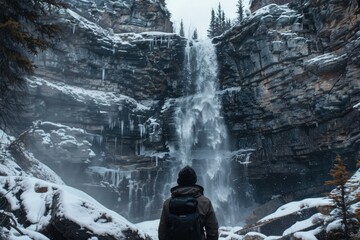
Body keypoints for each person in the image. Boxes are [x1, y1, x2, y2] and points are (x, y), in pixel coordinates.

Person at [158, 165, 219, 240]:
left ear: (179, 181)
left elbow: (162, 232)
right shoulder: (205, 202)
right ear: (195, 181)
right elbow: (213, 231)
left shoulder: (168, 203)